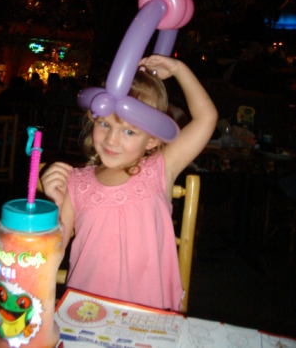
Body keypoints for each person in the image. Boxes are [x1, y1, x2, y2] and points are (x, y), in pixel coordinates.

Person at [41, 55, 218, 311]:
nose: (111, 140)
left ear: (152, 140)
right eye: (104, 124)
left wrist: (179, 69)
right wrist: (53, 206)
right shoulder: (76, 183)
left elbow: (207, 118)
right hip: (86, 315)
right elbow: (50, 254)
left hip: (148, 317)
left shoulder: (160, 169)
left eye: (129, 131)